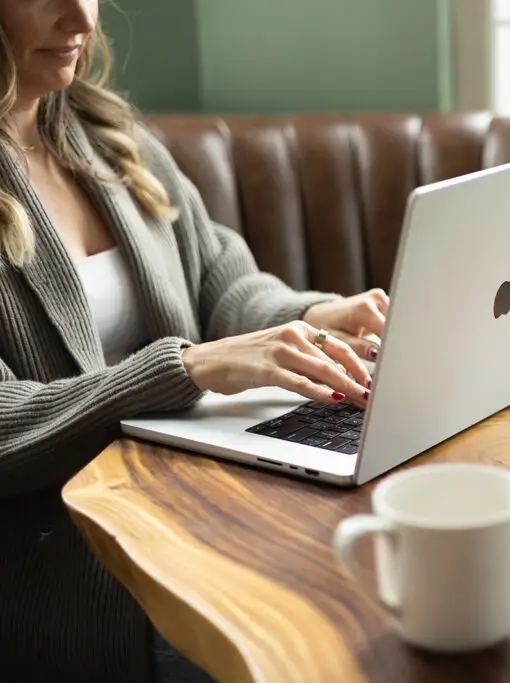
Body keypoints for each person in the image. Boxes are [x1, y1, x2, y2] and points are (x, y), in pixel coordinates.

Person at [0, 2, 385, 681]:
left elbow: (222, 285)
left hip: (201, 532)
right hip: (73, 585)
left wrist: (319, 320)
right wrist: (186, 367)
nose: (81, 18)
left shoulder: (111, 136)